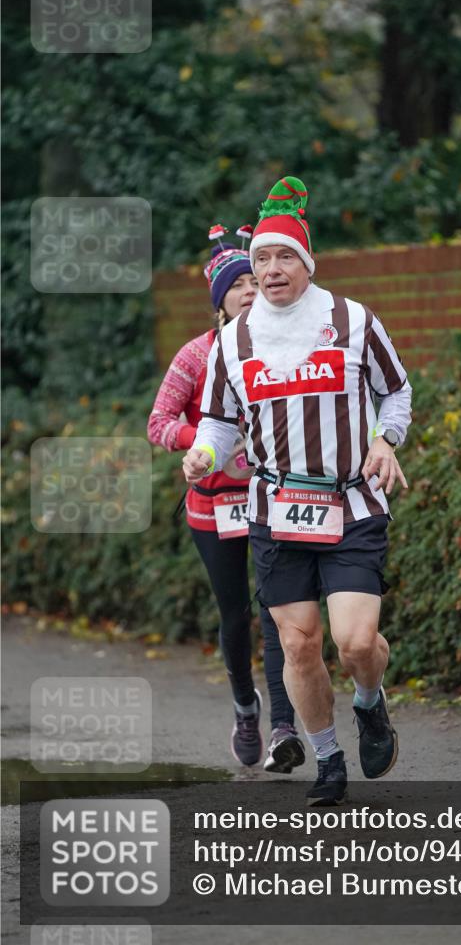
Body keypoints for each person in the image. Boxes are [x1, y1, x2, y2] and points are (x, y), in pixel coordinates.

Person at [183, 176, 412, 805]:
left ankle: (369, 702)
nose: (272, 268)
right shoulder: (233, 341)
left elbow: (397, 391)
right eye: (261, 257)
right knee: (297, 642)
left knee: (356, 641)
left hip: (351, 501)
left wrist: (384, 439)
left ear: (307, 262)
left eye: (285, 256)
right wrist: (204, 454)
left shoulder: (353, 320)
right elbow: (219, 420)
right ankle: (329, 758)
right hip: (276, 507)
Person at [148, 231, 306, 771]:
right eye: (235, 284)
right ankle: (246, 708)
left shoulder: (281, 348)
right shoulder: (196, 356)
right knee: (236, 616)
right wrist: (205, 440)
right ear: (219, 300)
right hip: (212, 509)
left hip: (271, 499)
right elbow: (158, 425)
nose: (247, 290)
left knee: (278, 611)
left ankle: (284, 726)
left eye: (250, 282)